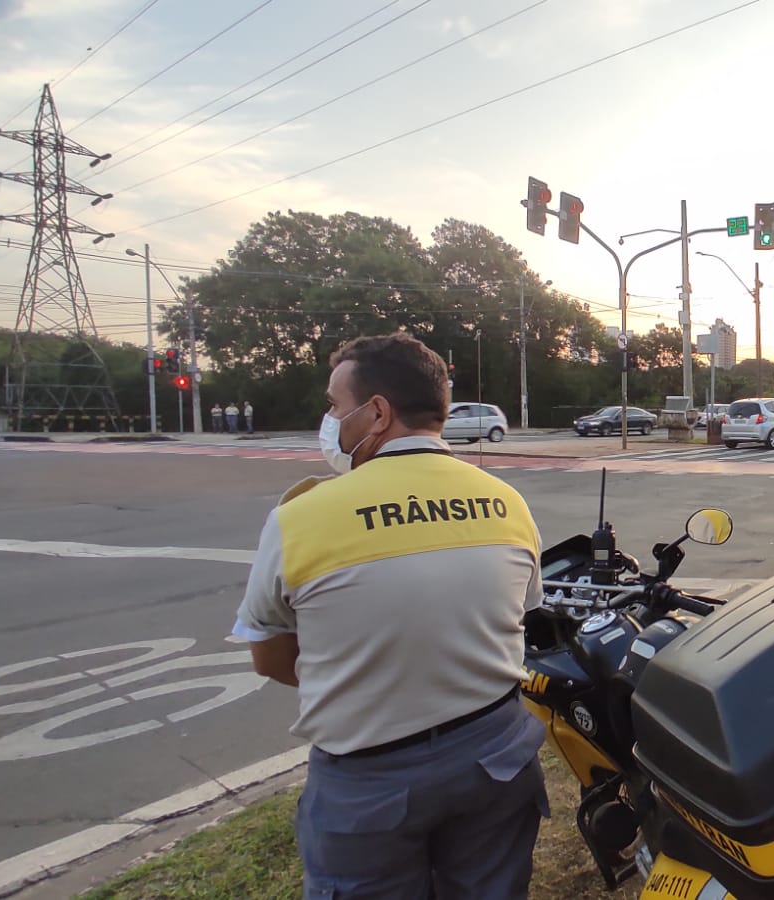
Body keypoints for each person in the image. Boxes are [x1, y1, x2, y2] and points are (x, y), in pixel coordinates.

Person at [232, 332, 548, 898]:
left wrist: (365, 676)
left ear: (377, 413)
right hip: (496, 756)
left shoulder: (301, 518)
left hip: (369, 780)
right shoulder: (507, 503)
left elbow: (270, 656)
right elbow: (518, 619)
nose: (330, 420)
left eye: (335, 405)